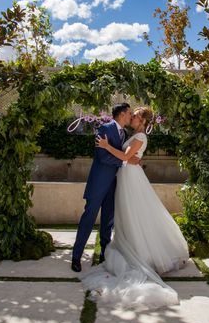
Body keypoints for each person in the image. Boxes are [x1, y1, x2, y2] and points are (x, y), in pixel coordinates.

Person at [80, 106, 189, 309]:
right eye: (132, 114)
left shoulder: (140, 136)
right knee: (129, 215)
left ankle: (144, 253)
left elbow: (123, 157)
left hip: (131, 178)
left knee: (136, 213)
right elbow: (128, 157)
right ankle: (134, 245)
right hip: (126, 176)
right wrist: (130, 156)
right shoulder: (134, 135)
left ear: (143, 121)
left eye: (136, 116)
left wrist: (105, 146)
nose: (132, 117)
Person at [71, 103, 140, 273]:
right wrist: (125, 161)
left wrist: (128, 159)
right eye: (130, 113)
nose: (131, 116)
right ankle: (76, 257)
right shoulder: (104, 129)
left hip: (113, 184)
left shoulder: (123, 133)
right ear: (122, 114)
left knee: (108, 222)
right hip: (98, 183)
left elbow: (121, 153)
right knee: (88, 219)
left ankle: (105, 253)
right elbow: (102, 156)